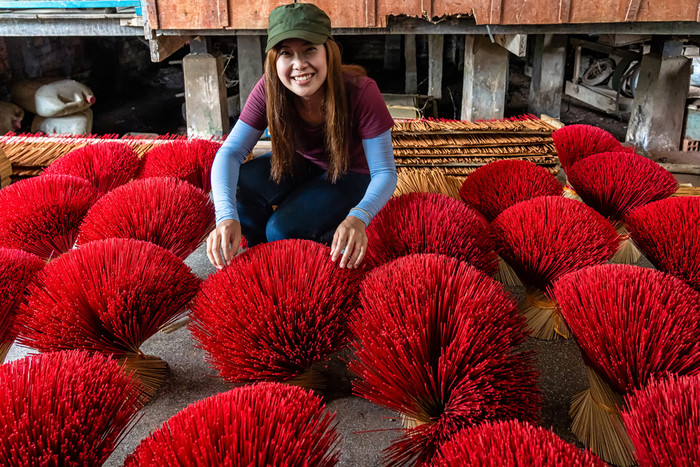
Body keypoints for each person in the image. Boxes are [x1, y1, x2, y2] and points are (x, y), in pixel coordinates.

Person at [207, 2, 396, 269]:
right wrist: (226, 217)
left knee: (282, 230)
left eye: (309, 50)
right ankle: (258, 263)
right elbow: (231, 152)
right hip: (302, 164)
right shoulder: (269, 89)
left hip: (352, 174)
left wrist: (359, 217)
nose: (299, 65)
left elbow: (385, 172)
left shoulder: (361, 91)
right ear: (275, 59)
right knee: (232, 190)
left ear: (328, 52)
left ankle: (300, 260)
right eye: (287, 53)